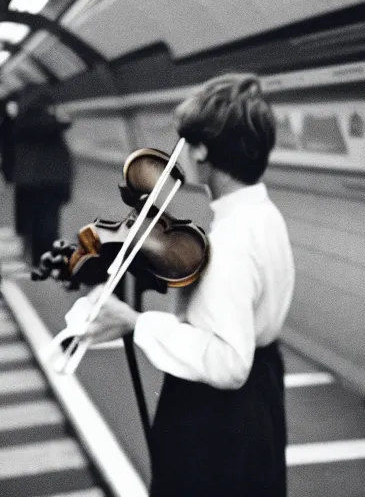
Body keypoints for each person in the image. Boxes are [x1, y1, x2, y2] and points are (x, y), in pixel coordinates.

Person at [65, 73, 295, 496]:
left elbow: (228, 362)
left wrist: (137, 323)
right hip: (262, 397)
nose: (180, 153)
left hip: (217, 420)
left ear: (203, 149)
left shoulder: (229, 245)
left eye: (185, 141)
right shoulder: (265, 216)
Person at [6, 90, 72, 265]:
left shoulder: (19, 125)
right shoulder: (51, 126)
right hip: (51, 182)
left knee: (34, 221)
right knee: (49, 221)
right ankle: (47, 256)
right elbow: (63, 161)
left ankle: (37, 257)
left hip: (28, 182)